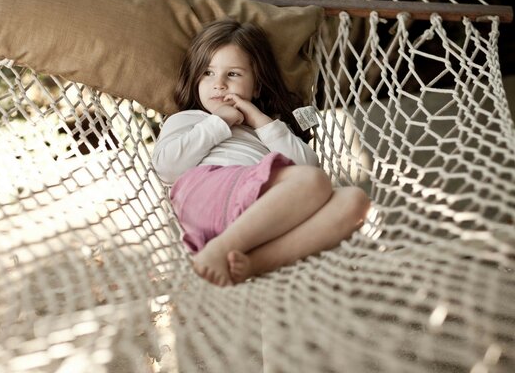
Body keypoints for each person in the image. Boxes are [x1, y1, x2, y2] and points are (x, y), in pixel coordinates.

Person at [152, 19, 370, 286]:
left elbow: (307, 165)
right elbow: (167, 167)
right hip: (208, 195)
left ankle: (253, 264)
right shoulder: (188, 120)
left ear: (256, 87)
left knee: (355, 201)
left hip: (259, 215)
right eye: (208, 73)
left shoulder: (267, 130)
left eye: (232, 74)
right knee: (313, 182)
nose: (219, 84)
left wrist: (257, 118)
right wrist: (218, 122)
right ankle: (222, 248)